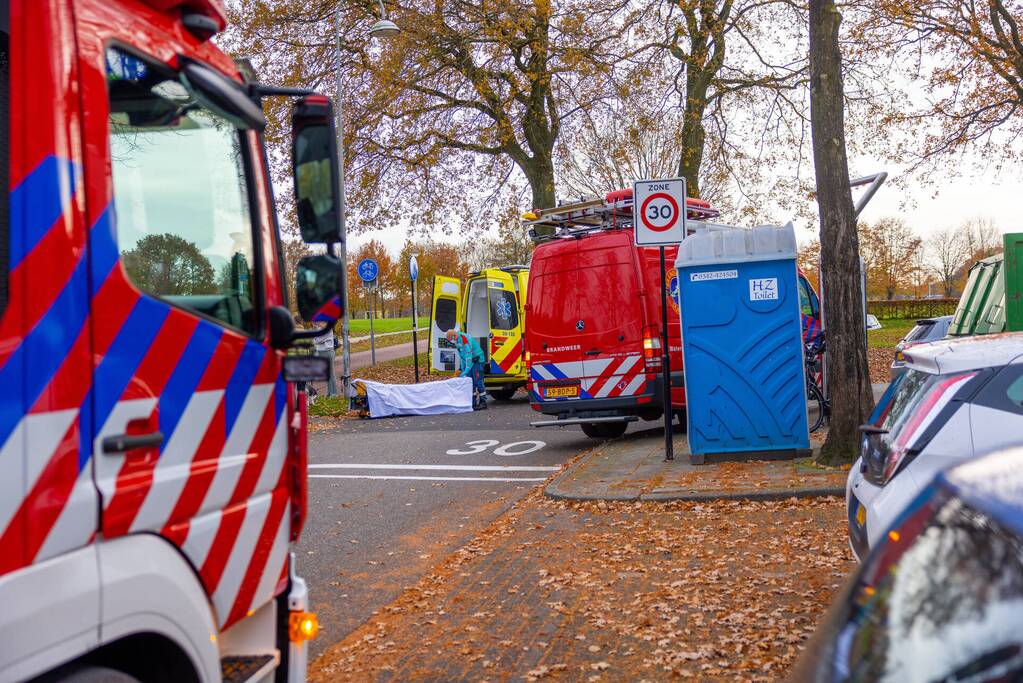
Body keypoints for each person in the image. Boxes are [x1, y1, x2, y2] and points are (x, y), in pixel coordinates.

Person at [446, 329, 487, 410]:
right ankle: (473, 402)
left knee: (478, 381)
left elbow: (468, 356)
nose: (452, 342)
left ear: (454, 336)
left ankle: (483, 402)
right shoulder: (457, 341)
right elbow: (462, 357)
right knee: (470, 382)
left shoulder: (464, 338)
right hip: (470, 361)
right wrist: (461, 368)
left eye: (451, 340)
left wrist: (464, 372)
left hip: (477, 360)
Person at [313, 324, 338, 397]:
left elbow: (317, 340)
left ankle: (333, 393)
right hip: (322, 351)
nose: (317, 323)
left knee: (330, 373)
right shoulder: (321, 329)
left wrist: (315, 338)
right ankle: (330, 392)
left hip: (327, 352)